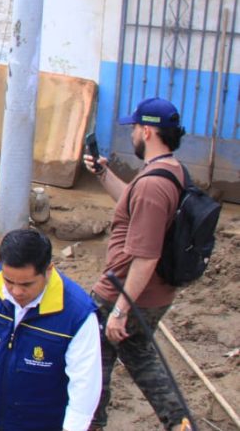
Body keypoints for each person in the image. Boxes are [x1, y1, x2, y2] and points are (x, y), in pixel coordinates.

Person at [83, 97, 193, 430]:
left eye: (133, 128)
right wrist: (104, 173)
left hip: (124, 291)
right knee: (139, 356)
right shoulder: (170, 171)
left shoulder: (152, 185)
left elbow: (146, 255)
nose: (131, 134)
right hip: (152, 292)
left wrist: (120, 309)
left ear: (147, 131)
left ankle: (93, 422)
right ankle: (178, 421)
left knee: (93, 362)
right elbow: (132, 201)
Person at [0, 230, 101, 431]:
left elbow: (85, 384)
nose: (16, 292)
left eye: (26, 284)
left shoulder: (77, 314)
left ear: (48, 270)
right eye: (9, 281)